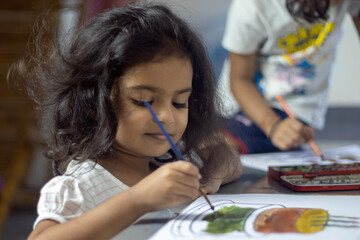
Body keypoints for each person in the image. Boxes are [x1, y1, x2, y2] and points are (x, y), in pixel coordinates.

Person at [7, 2, 242, 239]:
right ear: (92, 104)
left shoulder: (174, 158)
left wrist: (212, 177)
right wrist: (139, 199)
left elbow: (227, 156)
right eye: (143, 100)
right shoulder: (81, 186)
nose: (167, 117)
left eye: (179, 102)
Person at [218, 0, 360, 154]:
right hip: (249, 104)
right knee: (222, 147)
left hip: (296, 110)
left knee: (288, 141)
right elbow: (240, 80)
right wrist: (272, 125)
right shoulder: (252, 6)